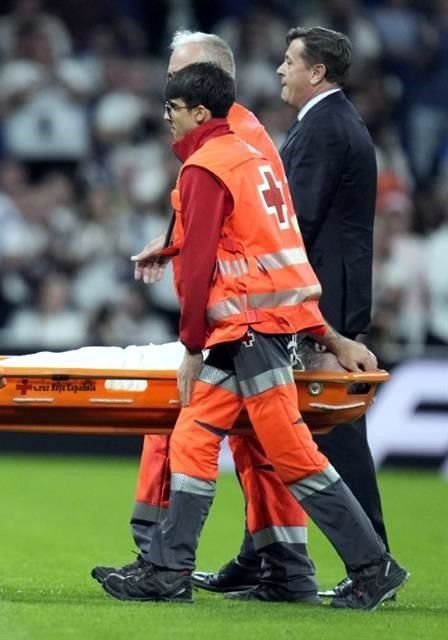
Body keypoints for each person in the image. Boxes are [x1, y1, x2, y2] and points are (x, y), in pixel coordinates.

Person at [98, 62, 407, 611]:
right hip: (255, 330)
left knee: (292, 453)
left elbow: (197, 272)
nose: (166, 118)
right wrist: (328, 336)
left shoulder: (205, 167)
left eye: (171, 108)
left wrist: (191, 346)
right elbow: (283, 264)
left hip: (243, 334)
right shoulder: (254, 159)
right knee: (193, 439)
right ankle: (168, 569)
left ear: (198, 112)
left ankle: (372, 564)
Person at [201, 26, 390, 600]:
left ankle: (372, 559)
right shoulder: (330, 123)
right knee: (269, 429)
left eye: (289, 62)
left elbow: (292, 223)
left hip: (314, 303)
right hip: (320, 294)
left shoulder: (325, 129)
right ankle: (266, 557)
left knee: (325, 435)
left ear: (317, 73)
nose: (279, 70)